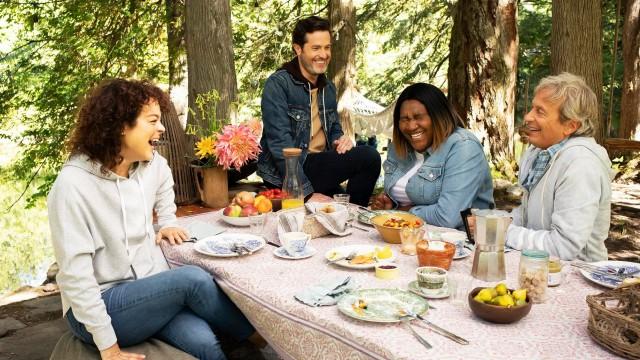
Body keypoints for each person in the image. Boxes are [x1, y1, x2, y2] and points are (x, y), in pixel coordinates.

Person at [48, 79, 263, 360]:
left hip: (148, 290)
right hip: (99, 308)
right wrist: (109, 348)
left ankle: (254, 340)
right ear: (122, 126)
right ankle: (263, 335)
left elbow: (163, 184)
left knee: (205, 345)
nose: (161, 128)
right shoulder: (72, 186)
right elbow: (76, 278)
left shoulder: (151, 164)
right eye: (152, 120)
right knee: (192, 279)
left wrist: (168, 220)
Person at [258, 16, 381, 206]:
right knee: (368, 157)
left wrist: (339, 139)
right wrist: (305, 194)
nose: (323, 54)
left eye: (327, 47)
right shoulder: (278, 84)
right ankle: (351, 210)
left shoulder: (328, 88)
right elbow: (280, 146)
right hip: (288, 171)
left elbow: (333, 128)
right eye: (316, 48)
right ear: (298, 49)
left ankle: (356, 214)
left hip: (317, 165)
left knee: (367, 160)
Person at [505, 72, 612, 261]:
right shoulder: (538, 152)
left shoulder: (581, 165)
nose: (528, 117)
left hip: (578, 278)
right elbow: (526, 214)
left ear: (570, 126)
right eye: (532, 108)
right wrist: (493, 224)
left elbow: (563, 247)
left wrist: (502, 233)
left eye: (540, 111)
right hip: (539, 269)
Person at [370, 83, 494, 229]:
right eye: (404, 119)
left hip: (458, 242)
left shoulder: (463, 147)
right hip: (408, 235)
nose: (410, 126)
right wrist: (390, 204)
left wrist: (400, 212)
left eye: (418, 117)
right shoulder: (399, 147)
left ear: (439, 116)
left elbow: (448, 217)